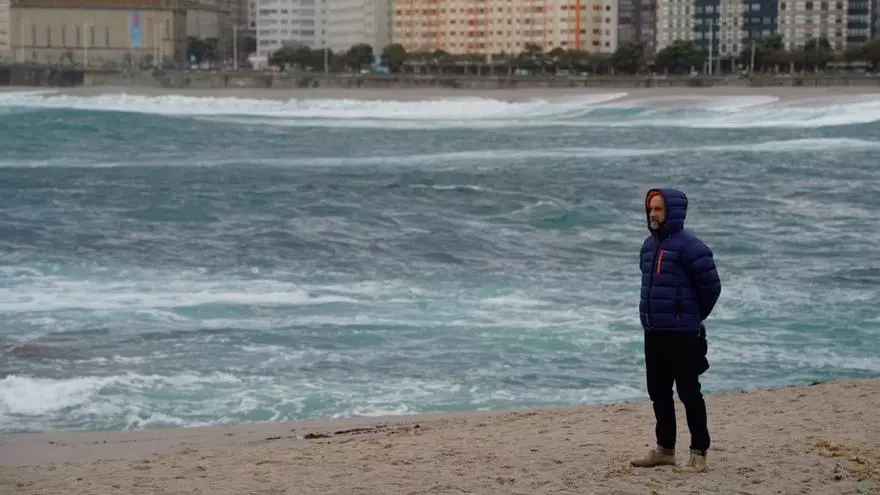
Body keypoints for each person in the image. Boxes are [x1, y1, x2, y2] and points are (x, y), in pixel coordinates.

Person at [630, 188, 721, 473]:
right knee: (658, 391)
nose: (653, 214)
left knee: (689, 393)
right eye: (651, 209)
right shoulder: (647, 246)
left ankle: (699, 453)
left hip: (682, 333)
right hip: (654, 330)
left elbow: (711, 287)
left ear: (672, 212)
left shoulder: (692, 247)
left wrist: (695, 316)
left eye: (658, 209)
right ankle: (665, 450)